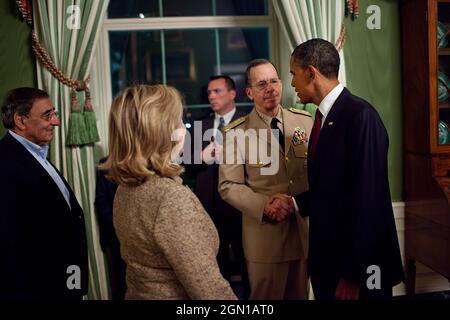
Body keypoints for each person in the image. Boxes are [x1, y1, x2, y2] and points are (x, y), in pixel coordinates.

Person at [290, 39, 404, 300]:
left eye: (293, 75)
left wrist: (354, 277)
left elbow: (369, 202)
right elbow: (332, 186)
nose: (292, 83)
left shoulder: (360, 117)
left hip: (357, 272)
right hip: (329, 264)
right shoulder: (323, 118)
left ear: (311, 72)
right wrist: (295, 203)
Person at [100, 84, 236, 300]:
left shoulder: (126, 187)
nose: (184, 127)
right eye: (179, 121)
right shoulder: (171, 198)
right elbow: (210, 290)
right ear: (162, 132)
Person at [218, 59, 313, 300]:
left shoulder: (305, 121)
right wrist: (264, 206)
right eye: (261, 84)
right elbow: (228, 185)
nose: (270, 88)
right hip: (265, 239)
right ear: (249, 92)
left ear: (281, 84)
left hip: (304, 234)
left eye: (273, 81)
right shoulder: (236, 133)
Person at [0, 87, 88, 299]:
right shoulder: (4, 163)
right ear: (20, 121)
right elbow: (10, 247)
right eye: (47, 115)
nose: (56, 121)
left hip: (65, 282)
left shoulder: (35, 153)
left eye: (54, 113)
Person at [184, 75, 249, 298]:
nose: (211, 96)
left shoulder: (248, 122)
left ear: (232, 93)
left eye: (217, 91)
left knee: (246, 263)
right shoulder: (200, 125)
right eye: (209, 92)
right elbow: (185, 163)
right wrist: (201, 157)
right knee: (215, 266)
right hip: (208, 209)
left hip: (241, 208)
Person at [94, 156, 126, 300]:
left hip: (140, 239)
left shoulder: (146, 162)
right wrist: (119, 229)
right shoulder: (105, 164)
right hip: (116, 238)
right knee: (121, 284)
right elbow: (101, 202)